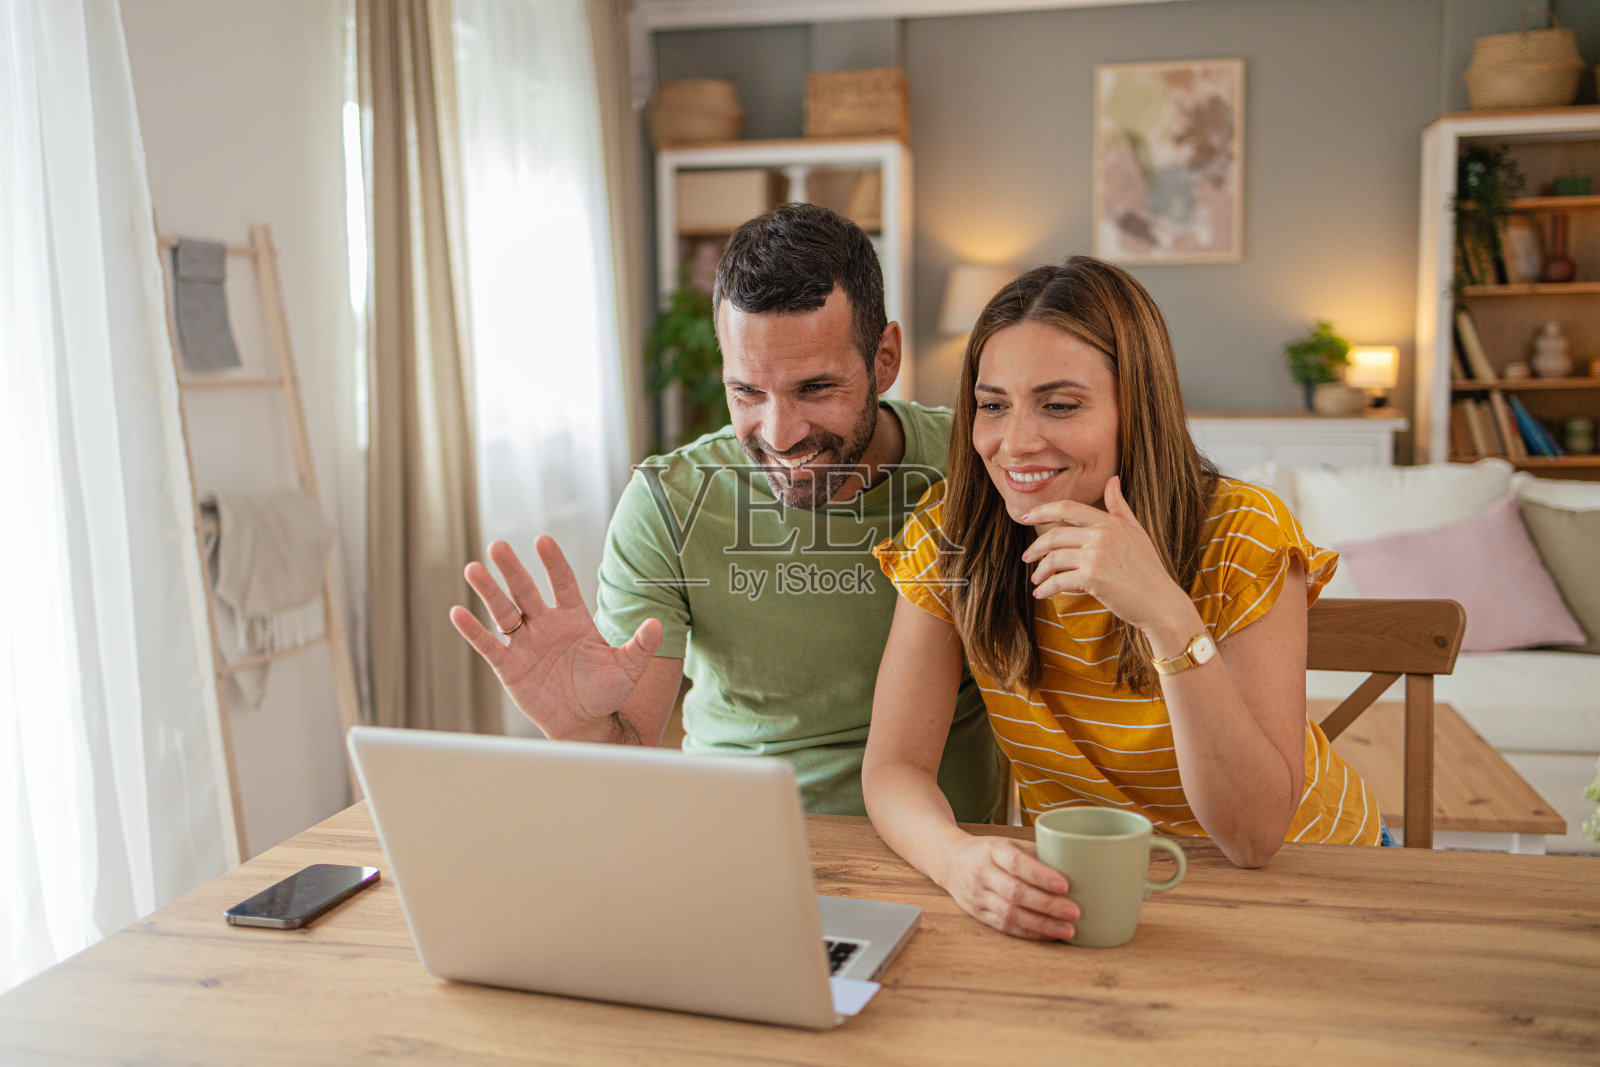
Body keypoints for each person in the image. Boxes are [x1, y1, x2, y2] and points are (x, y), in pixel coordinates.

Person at [864, 256, 1382, 942]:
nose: (1014, 441)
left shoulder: (1242, 533)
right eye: (993, 404)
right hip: (1102, 888)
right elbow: (895, 765)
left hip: (1310, 877)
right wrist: (955, 859)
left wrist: (1165, 613)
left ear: (1136, 406)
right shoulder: (952, 535)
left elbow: (1255, 837)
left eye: (1060, 404)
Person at [450, 203, 1003, 820]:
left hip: (946, 851)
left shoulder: (979, 468)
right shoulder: (670, 502)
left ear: (885, 359)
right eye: (747, 391)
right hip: (746, 845)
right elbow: (626, 752)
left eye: (815, 388)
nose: (781, 432)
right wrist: (581, 727)